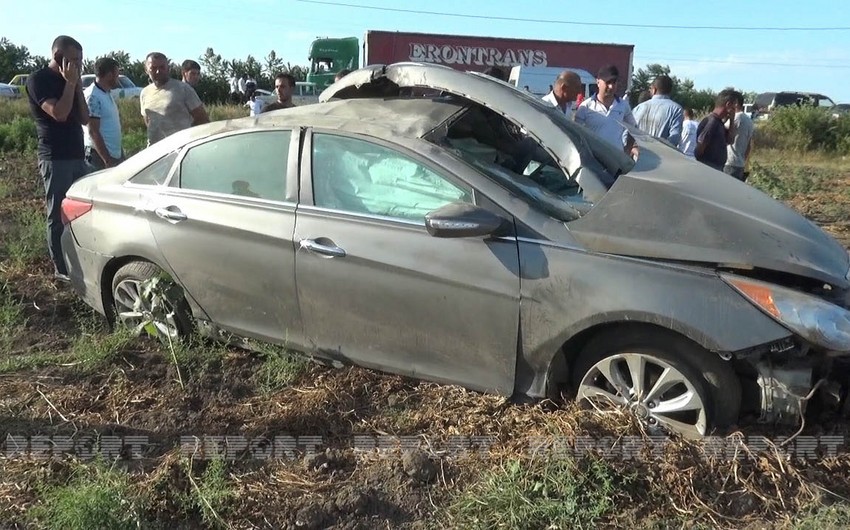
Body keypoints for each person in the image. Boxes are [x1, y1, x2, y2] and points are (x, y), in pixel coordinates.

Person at [26, 35, 90, 282]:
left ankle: (80, 259)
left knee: (81, 210)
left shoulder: (72, 81)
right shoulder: (38, 80)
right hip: (56, 158)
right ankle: (61, 269)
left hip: (77, 155)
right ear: (58, 57)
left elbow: (83, 119)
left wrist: (77, 88)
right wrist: (70, 85)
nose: (78, 64)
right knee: (58, 214)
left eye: (80, 60)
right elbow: (60, 114)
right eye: (74, 59)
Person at [140, 52, 209, 145]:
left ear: (168, 68)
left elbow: (202, 119)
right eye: (153, 68)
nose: (158, 71)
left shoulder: (183, 89)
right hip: (155, 150)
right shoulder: (145, 93)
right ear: (146, 70)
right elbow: (148, 120)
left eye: (162, 67)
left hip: (180, 148)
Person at [575, 65, 639, 159]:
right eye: (608, 82)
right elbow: (576, 133)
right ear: (598, 82)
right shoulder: (586, 107)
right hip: (594, 159)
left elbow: (633, 130)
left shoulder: (623, 105)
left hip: (616, 159)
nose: (611, 86)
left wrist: (627, 149)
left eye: (614, 82)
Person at [83, 57, 123, 171]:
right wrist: (107, 160)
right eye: (117, 74)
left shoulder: (106, 93)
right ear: (110, 75)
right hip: (99, 158)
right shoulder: (93, 96)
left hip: (114, 154)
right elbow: (93, 131)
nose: (118, 78)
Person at [632, 75, 684, 146]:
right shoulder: (676, 109)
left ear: (654, 90)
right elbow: (674, 138)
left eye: (650, 88)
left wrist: (633, 149)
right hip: (662, 154)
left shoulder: (638, 108)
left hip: (639, 153)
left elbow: (627, 134)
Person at [695, 89, 740, 171]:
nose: (734, 110)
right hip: (709, 168)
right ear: (728, 104)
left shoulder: (719, 123)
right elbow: (701, 145)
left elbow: (730, 140)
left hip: (716, 167)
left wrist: (732, 120)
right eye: (733, 107)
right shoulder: (712, 122)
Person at [724, 94, 755, 181]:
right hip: (740, 164)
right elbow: (749, 145)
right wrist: (743, 160)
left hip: (730, 161)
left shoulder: (737, 118)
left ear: (736, 104)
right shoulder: (749, 121)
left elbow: (723, 130)